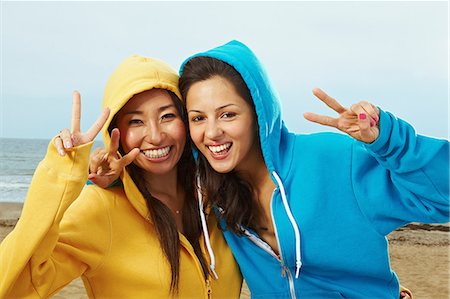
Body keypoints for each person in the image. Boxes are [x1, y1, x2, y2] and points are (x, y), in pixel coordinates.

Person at [175, 40, 449, 298]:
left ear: (258, 114)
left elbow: (441, 199)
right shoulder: (212, 196)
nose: (211, 132)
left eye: (228, 114)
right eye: (198, 118)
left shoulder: (335, 159)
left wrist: (388, 141)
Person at [0, 55, 241, 298]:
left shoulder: (218, 199)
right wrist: (64, 175)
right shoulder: (99, 209)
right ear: (116, 133)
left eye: (167, 116)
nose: (155, 136)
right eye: (136, 121)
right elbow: (14, 285)